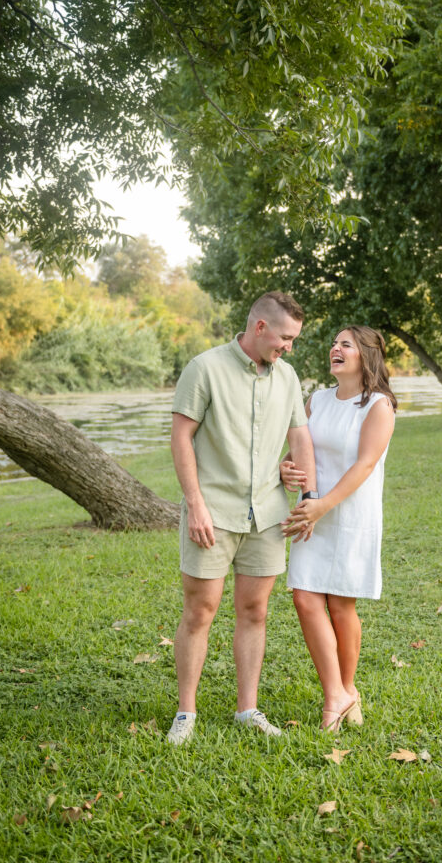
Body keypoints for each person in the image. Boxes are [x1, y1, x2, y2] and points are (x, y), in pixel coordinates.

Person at [167, 291, 317, 745]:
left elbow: (300, 437)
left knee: (255, 611)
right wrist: (194, 502)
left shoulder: (287, 377)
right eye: (285, 337)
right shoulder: (204, 368)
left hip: (268, 516)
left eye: (293, 339)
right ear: (259, 328)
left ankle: (246, 709)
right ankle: (186, 714)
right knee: (200, 611)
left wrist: (307, 492)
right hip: (213, 513)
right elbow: (180, 438)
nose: (289, 346)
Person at [281, 325, 396, 731]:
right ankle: (337, 693)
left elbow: (364, 465)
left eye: (345, 344)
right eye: (334, 343)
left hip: (349, 515)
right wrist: (286, 469)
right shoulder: (317, 400)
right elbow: (301, 448)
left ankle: (346, 691)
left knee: (341, 605)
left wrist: (322, 506)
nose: (335, 348)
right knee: (304, 598)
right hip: (311, 509)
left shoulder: (378, 406)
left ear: (366, 354)